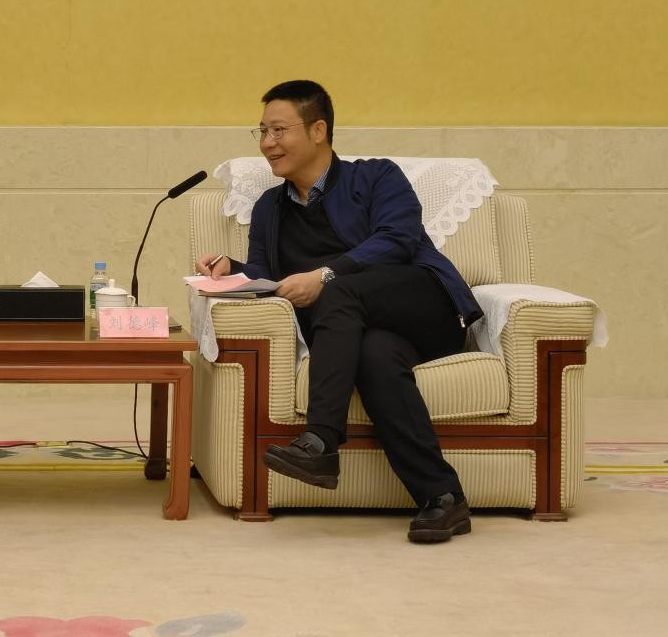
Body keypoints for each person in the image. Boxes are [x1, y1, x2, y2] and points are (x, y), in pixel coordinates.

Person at [196, 80, 480, 543]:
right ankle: (443, 498)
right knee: (374, 356)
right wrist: (235, 268)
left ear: (318, 130)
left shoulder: (377, 177)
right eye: (262, 131)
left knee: (338, 291)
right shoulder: (270, 208)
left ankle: (322, 440)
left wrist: (326, 275)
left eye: (279, 130)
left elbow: (398, 240)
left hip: (427, 308)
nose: (267, 143)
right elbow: (269, 276)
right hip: (362, 330)